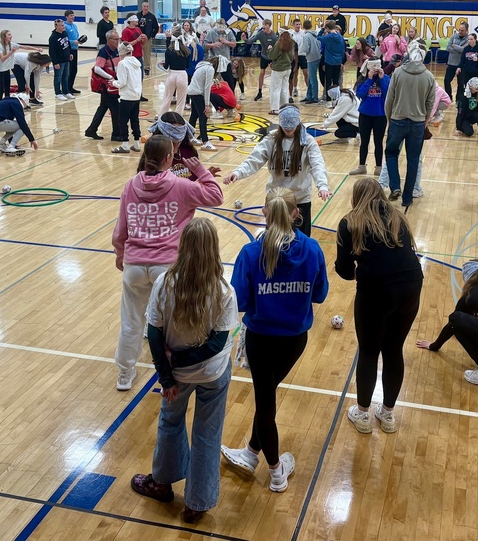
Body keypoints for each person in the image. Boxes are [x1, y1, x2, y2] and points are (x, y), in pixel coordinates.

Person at [222, 188, 328, 492]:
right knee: (266, 398)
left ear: (265, 213)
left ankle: (276, 471)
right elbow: (319, 294)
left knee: (265, 404)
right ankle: (250, 453)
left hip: (260, 339)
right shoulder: (312, 249)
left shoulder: (251, 253)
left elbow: (239, 301)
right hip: (294, 340)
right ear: (296, 214)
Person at [131, 218, 236, 524]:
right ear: (213, 250)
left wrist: (168, 373)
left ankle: (162, 484)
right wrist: (180, 364)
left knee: (170, 422)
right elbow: (218, 342)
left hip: (176, 376)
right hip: (213, 375)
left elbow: (153, 332)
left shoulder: (165, 282)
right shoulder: (222, 289)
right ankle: (196, 505)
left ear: (183, 247)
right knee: (207, 435)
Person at [112, 134, 223, 391]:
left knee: (131, 322)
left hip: (135, 265)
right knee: (171, 326)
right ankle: (169, 376)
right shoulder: (181, 185)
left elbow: (120, 228)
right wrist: (201, 171)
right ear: (169, 159)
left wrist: (120, 254)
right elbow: (216, 196)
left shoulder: (130, 185)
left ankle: (125, 374)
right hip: (168, 267)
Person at [335, 178, 422, 434]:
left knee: (369, 351)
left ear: (356, 197)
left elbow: (344, 270)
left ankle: (362, 415)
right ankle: (388, 415)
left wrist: (360, 269)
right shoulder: (398, 217)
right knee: (394, 350)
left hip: (375, 292)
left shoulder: (350, 222)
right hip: (410, 287)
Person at [225, 105, 330, 236]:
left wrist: (322, 185)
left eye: (292, 126)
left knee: (300, 242)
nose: (289, 129)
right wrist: (237, 172)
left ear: (298, 123)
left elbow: (318, 165)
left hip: (300, 200)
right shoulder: (272, 139)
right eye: (285, 126)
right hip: (276, 199)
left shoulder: (308, 142)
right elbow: (254, 159)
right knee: (274, 241)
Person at [382, 50, 436, 206]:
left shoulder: (398, 73)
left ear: (408, 57)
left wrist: (390, 119)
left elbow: (389, 100)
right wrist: (424, 121)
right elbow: (430, 104)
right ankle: (407, 198)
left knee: (391, 153)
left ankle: (395, 186)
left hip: (397, 120)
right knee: (413, 160)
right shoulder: (429, 76)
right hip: (418, 123)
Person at [85, 30, 121, 141]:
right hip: (107, 86)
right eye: (115, 39)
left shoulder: (116, 50)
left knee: (103, 107)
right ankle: (116, 135)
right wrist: (110, 77)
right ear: (108, 40)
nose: (117, 41)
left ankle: (91, 130)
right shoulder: (103, 52)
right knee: (116, 110)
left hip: (112, 84)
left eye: (118, 39)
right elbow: (97, 68)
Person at [111, 41, 143, 154]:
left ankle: (125, 145)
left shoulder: (122, 64)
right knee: (135, 120)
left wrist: (113, 83)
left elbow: (122, 82)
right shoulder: (137, 63)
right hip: (136, 95)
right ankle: (136, 144)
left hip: (126, 96)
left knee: (123, 121)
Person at [187, 57, 217, 151]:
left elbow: (202, 82)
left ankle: (190, 137)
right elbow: (207, 87)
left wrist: (213, 81)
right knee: (203, 116)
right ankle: (205, 142)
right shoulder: (210, 68)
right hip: (198, 93)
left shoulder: (202, 66)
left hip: (192, 91)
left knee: (194, 115)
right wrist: (207, 104)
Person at [159, 26, 191, 116]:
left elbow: (166, 67)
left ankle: (161, 116)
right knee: (181, 100)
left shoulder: (168, 51)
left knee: (167, 97)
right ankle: (178, 118)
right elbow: (188, 66)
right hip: (182, 74)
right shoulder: (187, 51)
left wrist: (163, 64)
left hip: (172, 74)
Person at [265, 31, 295, 114]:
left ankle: (275, 109)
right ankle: (284, 107)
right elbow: (292, 57)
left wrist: (269, 49)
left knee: (275, 89)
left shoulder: (279, 43)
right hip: (288, 68)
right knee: (285, 89)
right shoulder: (292, 44)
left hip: (278, 69)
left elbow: (272, 56)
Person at [248, 19, 277, 102]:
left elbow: (277, 47)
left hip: (272, 57)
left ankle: (275, 92)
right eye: (263, 24)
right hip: (264, 56)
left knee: (275, 73)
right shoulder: (260, 33)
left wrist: (273, 52)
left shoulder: (274, 36)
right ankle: (260, 92)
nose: (263, 26)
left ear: (269, 26)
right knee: (261, 72)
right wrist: (245, 39)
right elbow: (250, 41)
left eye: (265, 25)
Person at [204, 18, 236, 88]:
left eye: (222, 27)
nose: (221, 30)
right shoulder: (212, 32)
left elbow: (234, 44)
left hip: (225, 60)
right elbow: (205, 45)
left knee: (229, 80)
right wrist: (213, 45)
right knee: (213, 79)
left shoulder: (229, 32)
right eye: (219, 27)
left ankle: (231, 95)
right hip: (214, 59)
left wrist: (226, 42)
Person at [318, 20, 346, 97]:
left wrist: (323, 29)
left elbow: (318, 37)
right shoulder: (340, 37)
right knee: (336, 81)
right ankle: (336, 98)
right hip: (338, 61)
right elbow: (343, 50)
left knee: (328, 81)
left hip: (329, 61)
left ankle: (328, 98)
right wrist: (341, 61)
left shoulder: (328, 37)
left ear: (327, 28)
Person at [444, 21, 469, 99]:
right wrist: (459, 49)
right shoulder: (453, 36)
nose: (460, 32)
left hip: (461, 65)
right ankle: (448, 97)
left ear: (466, 31)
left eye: (462, 30)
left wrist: (454, 46)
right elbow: (448, 48)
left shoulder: (468, 39)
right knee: (446, 81)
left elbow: (464, 50)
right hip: (451, 63)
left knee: (461, 84)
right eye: (459, 30)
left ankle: (459, 99)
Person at [50, 18, 73, 100]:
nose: (64, 27)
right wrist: (55, 62)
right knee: (58, 77)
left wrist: (70, 53)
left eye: (64, 25)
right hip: (59, 61)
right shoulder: (53, 37)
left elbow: (68, 43)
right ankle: (58, 93)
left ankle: (66, 91)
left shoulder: (65, 33)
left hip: (66, 59)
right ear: (57, 26)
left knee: (65, 76)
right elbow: (52, 52)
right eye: (62, 25)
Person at [63, 9, 86, 95]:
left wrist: (80, 41)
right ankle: (66, 88)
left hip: (75, 49)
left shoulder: (74, 26)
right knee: (69, 69)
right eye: (70, 16)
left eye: (73, 15)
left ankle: (70, 87)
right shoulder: (65, 26)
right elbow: (65, 39)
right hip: (69, 49)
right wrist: (73, 42)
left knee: (74, 70)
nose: (73, 17)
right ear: (66, 17)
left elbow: (76, 37)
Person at [121, 15, 150, 82]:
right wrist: (137, 40)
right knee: (133, 78)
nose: (137, 20)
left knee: (140, 77)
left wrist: (144, 39)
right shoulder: (126, 31)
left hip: (139, 56)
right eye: (135, 19)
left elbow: (142, 43)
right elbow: (125, 45)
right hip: (131, 57)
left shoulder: (138, 29)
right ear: (130, 21)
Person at [299, 20, 322, 105]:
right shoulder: (315, 33)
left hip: (311, 58)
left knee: (312, 79)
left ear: (303, 26)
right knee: (309, 78)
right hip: (317, 56)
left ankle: (314, 97)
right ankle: (309, 96)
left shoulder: (306, 36)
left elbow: (305, 48)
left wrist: (303, 52)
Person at [0, 30, 21, 100]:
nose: (11, 36)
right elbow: (3, 59)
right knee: (1, 89)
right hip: (0, 70)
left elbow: (24, 47)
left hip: (7, 69)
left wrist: (36, 49)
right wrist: (11, 52)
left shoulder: (11, 44)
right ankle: (0, 103)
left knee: (7, 88)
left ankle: (7, 103)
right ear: (4, 36)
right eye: (9, 35)